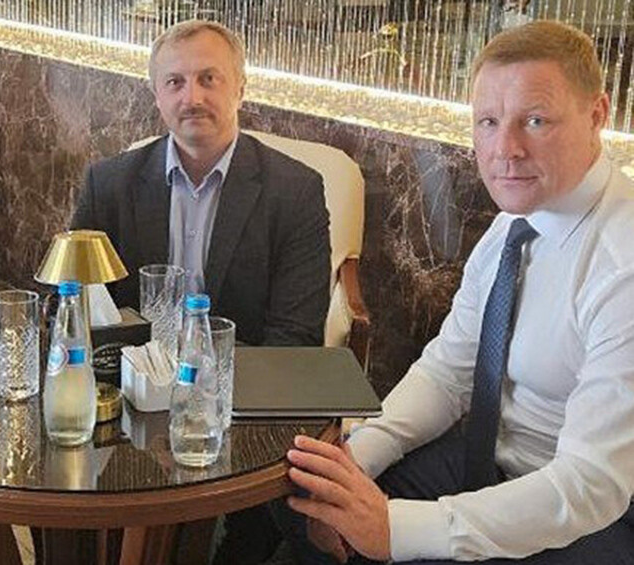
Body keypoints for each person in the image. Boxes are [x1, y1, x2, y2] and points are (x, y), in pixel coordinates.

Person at [282, 20, 634, 565]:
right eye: (489, 122)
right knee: (305, 503)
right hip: (483, 461)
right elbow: (448, 371)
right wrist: (355, 460)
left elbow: (591, 483)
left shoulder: (621, 263)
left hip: (588, 511)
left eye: (535, 121)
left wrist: (393, 528)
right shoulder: (514, 224)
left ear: (597, 115)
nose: (505, 149)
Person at [71, 20, 331, 348]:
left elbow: (296, 337)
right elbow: (72, 306)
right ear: (156, 96)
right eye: (175, 82)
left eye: (208, 79)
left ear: (240, 89)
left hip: (245, 374)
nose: (192, 98)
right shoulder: (108, 185)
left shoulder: (295, 192)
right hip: (132, 372)